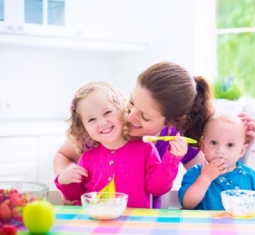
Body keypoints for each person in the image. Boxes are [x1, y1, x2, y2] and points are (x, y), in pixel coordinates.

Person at [53, 62, 255, 207]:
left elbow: (216, 180)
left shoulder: (173, 139)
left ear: (171, 123)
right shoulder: (105, 126)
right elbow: (63, 155)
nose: (130, 116)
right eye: (132, 102)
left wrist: (244, 151)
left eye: (144, 116)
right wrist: (71, 180)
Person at [55, 81, 187, 208]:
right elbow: (75, 196)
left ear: (122, 110)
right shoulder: (87, 158)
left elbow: (158, 188)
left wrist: (172, 159)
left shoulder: (145, 149)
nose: (102, 123)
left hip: (133, 224)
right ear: (83, 128)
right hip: (94, 223)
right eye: (91, 119)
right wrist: (64, 181)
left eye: (107, 112)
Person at [178, 111, 255, 212]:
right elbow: (187, 204)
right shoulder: (196, 173)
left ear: (242, 151)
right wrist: (205, 178)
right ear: (202, 145)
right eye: (214, 142)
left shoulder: (250, 175)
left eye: (230, 145)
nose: (221, 151)